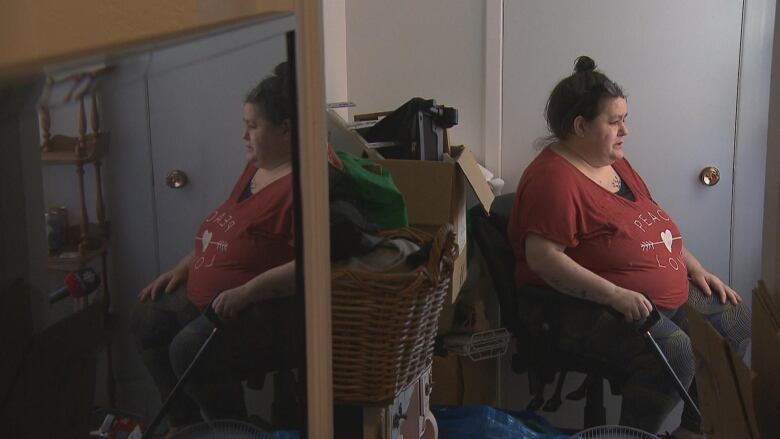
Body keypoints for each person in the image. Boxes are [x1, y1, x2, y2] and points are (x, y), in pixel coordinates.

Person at [507, 56, 750, 438]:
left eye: (625, 118)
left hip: (654, 295)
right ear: (580, 125)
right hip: (575, 307)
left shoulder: (613, 162)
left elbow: (654, 225)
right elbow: (543, 258)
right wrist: (616, 294)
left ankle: (692, 430)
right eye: (615, 121)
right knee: (677, 351)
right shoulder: (553, 180)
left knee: (734, 320)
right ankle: (635, 435)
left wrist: (696, 269)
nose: (626, 130)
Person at [131, 62, 302, 436]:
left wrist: (245, 292)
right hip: (213, 295)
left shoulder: (303, 186)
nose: (244, 135)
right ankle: (187, 427)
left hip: (260, 309)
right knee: (146, 323)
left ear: (286, 128)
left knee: (187, 350)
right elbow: (228, 232)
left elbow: (307, 268)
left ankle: (232, 429)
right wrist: (184, 267)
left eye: (253, 126)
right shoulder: (257, 168)